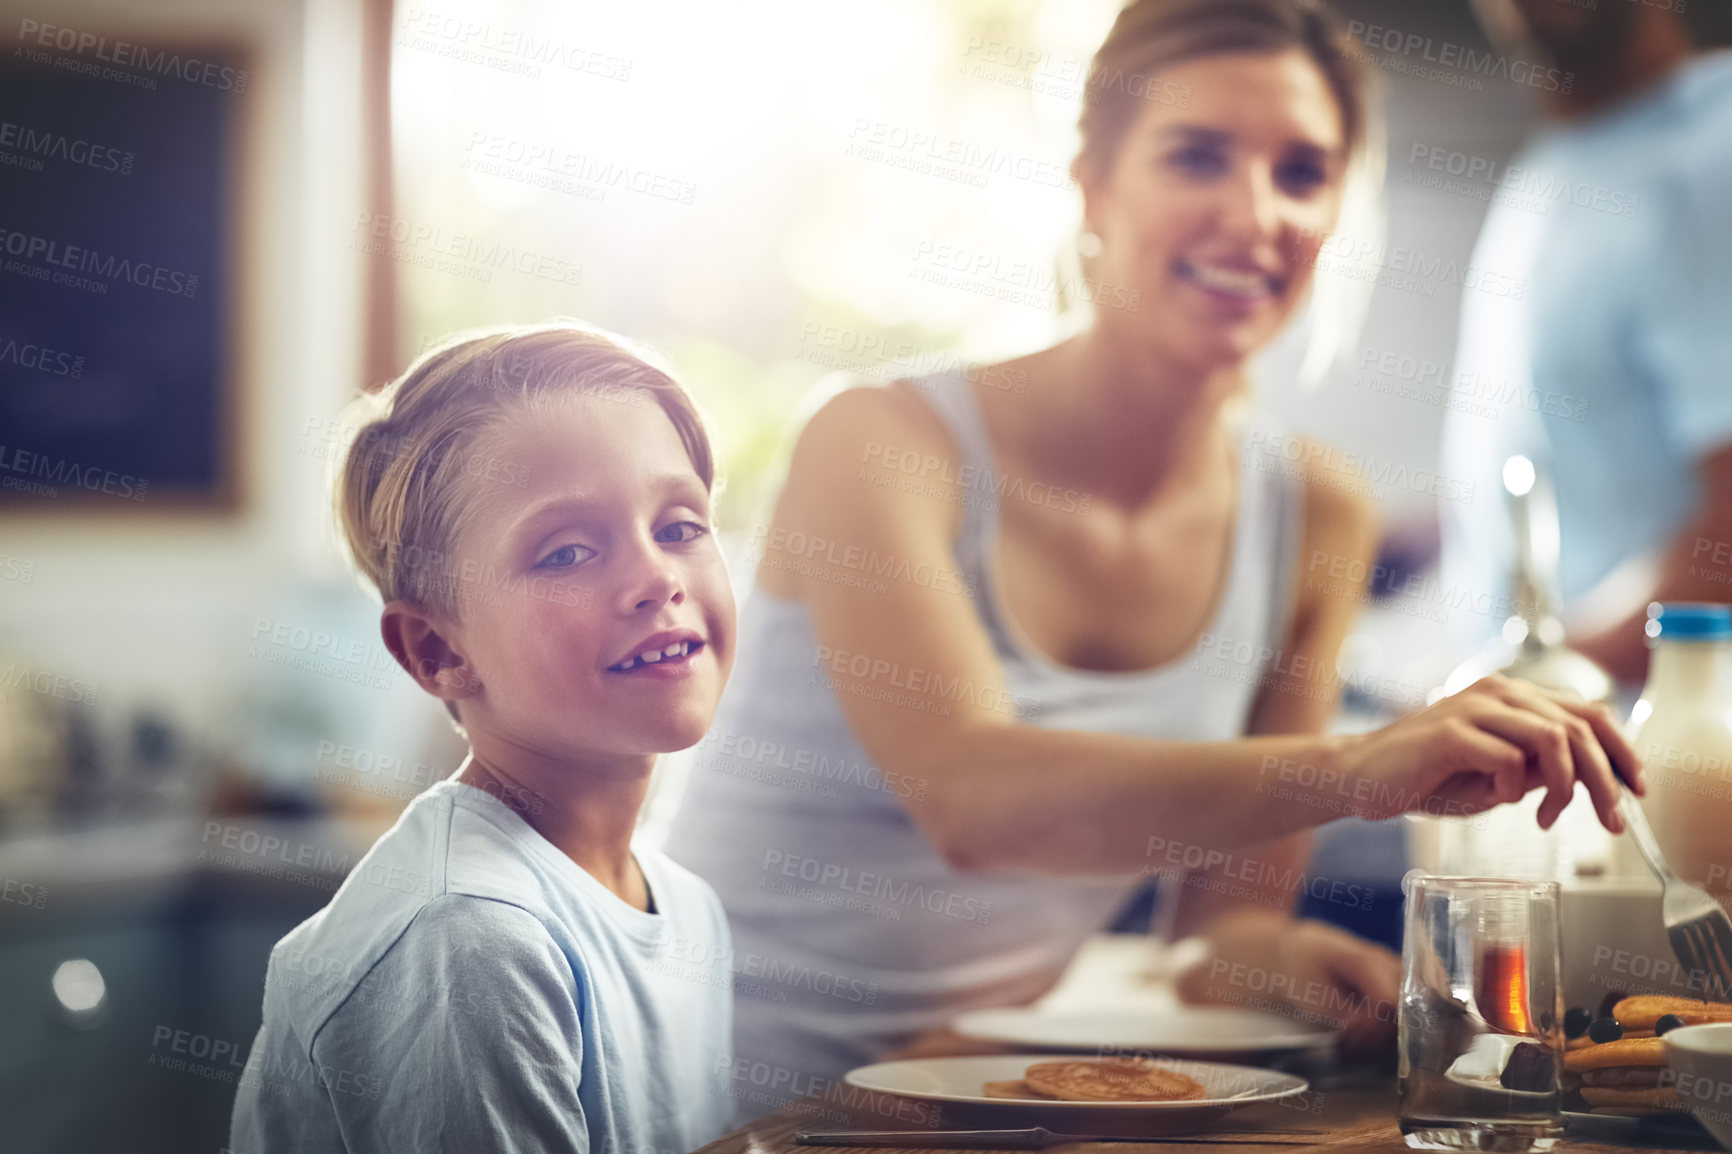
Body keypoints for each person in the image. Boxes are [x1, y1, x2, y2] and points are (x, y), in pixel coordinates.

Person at [667, 0, 1642, 1119]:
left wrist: (1292, 968)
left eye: (1300, 171)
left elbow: (1216, 922)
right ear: (1092, 184)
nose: (1255, 213)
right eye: (1195, 156)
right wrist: (1361, 763)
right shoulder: (879, 442)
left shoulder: (1313, 507)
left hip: (978, 1092)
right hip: (726, 1100)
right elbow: (977, 801)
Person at [230, 323, 739, 1152]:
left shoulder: (690, 910)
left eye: (680, 526)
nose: (658, 577)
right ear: (439, 651)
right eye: (569, 550)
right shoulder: (471, 938)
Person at [1443, 0, 1732, 685]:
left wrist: (1519, 684)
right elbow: (1582, 457)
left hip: (1658, 766)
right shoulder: (1550, 172)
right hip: (1550, 757)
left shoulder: (1716, 150)